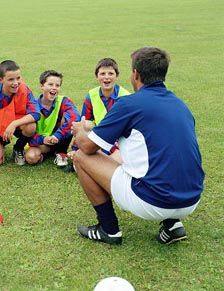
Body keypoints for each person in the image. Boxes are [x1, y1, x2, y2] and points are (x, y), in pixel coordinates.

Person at [72, 47, 204, 245]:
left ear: (135, 74)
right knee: (159, 155)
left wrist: (80, 131)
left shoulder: (128, 103)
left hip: (153, 200)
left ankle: (108, 229)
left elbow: (87, 147)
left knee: (81, 158)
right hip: (192, 199)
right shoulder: (180, 104)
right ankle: (173, 225)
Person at [66, 58, 130, 171]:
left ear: (117, 76)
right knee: (86, 124)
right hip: (99, 138)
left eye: (111, 73)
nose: (106, 77)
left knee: (117, 166)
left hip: (119, 142)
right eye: (102, 73)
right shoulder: (91, 95)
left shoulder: (125, 96)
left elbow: (129, 128)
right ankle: (86, 156)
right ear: (97, 77)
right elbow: (83, 124)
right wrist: (76, 147)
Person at [0, 60, 40, 166]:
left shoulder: (24, 90)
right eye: (11, 79)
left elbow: (36, 114)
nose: (16, 83)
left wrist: (14, 124)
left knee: (31, 126)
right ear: (0, 80)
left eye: (18, 78)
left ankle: (18, 148)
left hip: (15, 124)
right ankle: (1, 145)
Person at [25, 70, 80, 167]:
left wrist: (57, 135)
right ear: (42, 86)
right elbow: (28, 136)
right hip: (43, 143)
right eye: (50, 84)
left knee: (70, 119)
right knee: (31, 157)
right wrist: (43, 139)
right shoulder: (33, 105)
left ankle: (61, 152)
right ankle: (49, 154)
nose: (54, 88)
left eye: (57, 85)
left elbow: (75, 117)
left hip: (60, 138)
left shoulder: (63, 101)